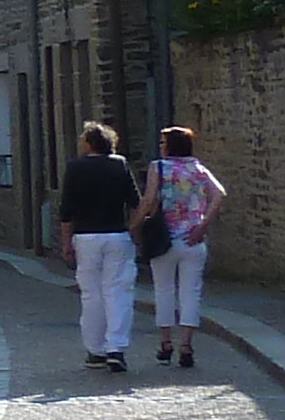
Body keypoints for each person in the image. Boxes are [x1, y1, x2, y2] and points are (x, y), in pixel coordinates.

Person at [56, 119, 142, 372]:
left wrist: (66, 242)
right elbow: (136, 203)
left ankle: (95, 351)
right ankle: (116, 348)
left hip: (86, 237)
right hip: (116, 235)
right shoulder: (120, 165)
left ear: (88, 143)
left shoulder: (75, 168)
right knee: (118, 292)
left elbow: (66, 211)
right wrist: (133, 229)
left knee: (91, 294)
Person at [142, 126, 227, 371]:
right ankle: (187, 345)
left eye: (162, 142)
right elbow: (219, 194)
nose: (160, 146)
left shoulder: (158, 167)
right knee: (191, 291)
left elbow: (149, 200)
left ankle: (166, 343)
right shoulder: (198, 169)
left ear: (170, 145)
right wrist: (203, 225)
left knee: (164, 290)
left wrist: (136, 223)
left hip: (164, 239)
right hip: (193, 240)